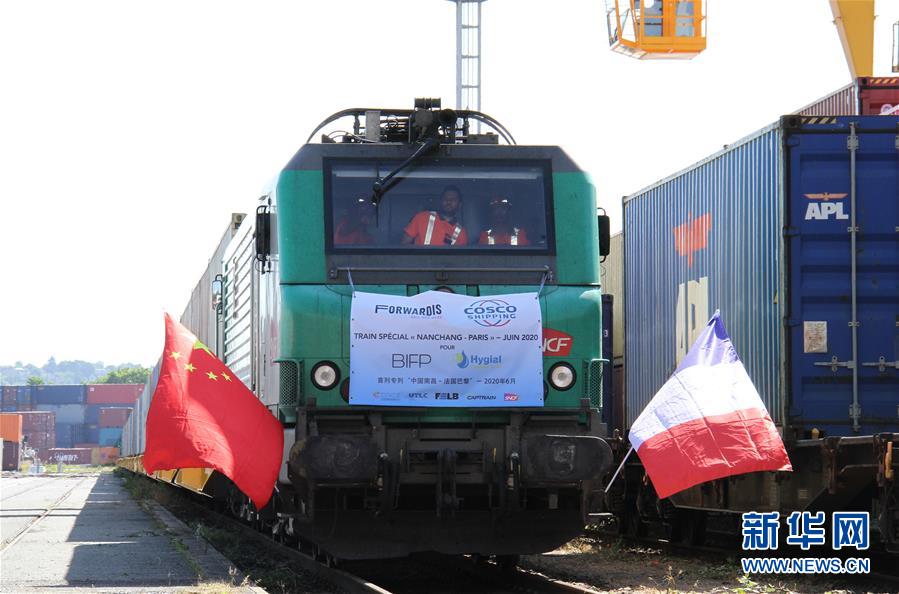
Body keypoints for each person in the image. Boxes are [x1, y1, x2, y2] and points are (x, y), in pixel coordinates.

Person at [402, 185, 469, 246]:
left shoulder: (462, 233)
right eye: (445, 198)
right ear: (440, 201)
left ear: (460, 205)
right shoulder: (421, 217)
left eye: (453, 199)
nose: (448, 202)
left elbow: (461, 258)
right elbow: (404, 245)